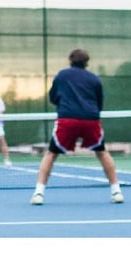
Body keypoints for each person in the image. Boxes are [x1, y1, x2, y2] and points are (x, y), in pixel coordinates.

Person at [31, 48, 124, 205]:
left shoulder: (62, 75)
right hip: (91, 119)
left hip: (68, 120)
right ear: (87, 62)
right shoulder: (94, 79)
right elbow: (99, 103)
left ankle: (38, 194)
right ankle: (116, 191)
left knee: (51, 155)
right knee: (102, 152)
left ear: (70, 60)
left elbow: (53, 97)